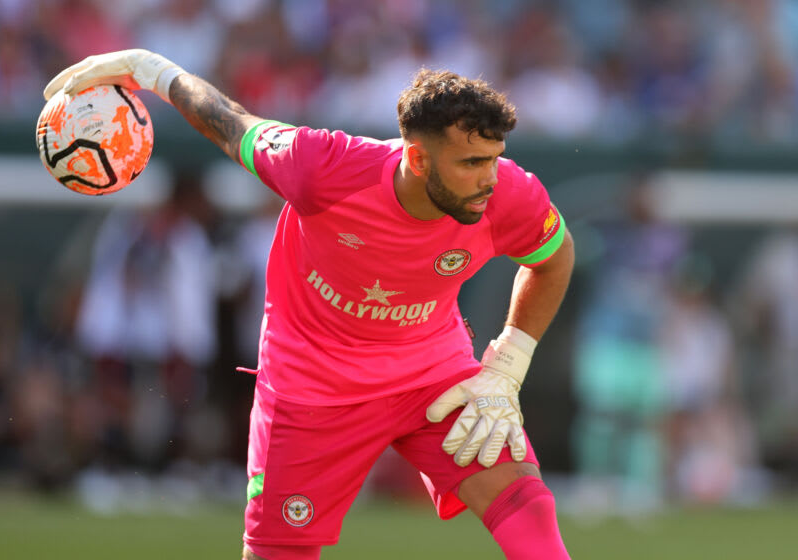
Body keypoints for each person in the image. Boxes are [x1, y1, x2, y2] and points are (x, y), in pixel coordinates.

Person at [43, 49, 575, 560]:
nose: (489, 178)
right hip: (311, 390)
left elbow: (554, 256)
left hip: (434, 375)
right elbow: (229, 120)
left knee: (525, 502)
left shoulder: (507, 192)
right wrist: (149, 69)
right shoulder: (322, 167)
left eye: (494, 160)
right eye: (471, 163)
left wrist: (507, 364)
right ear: (416, 156)